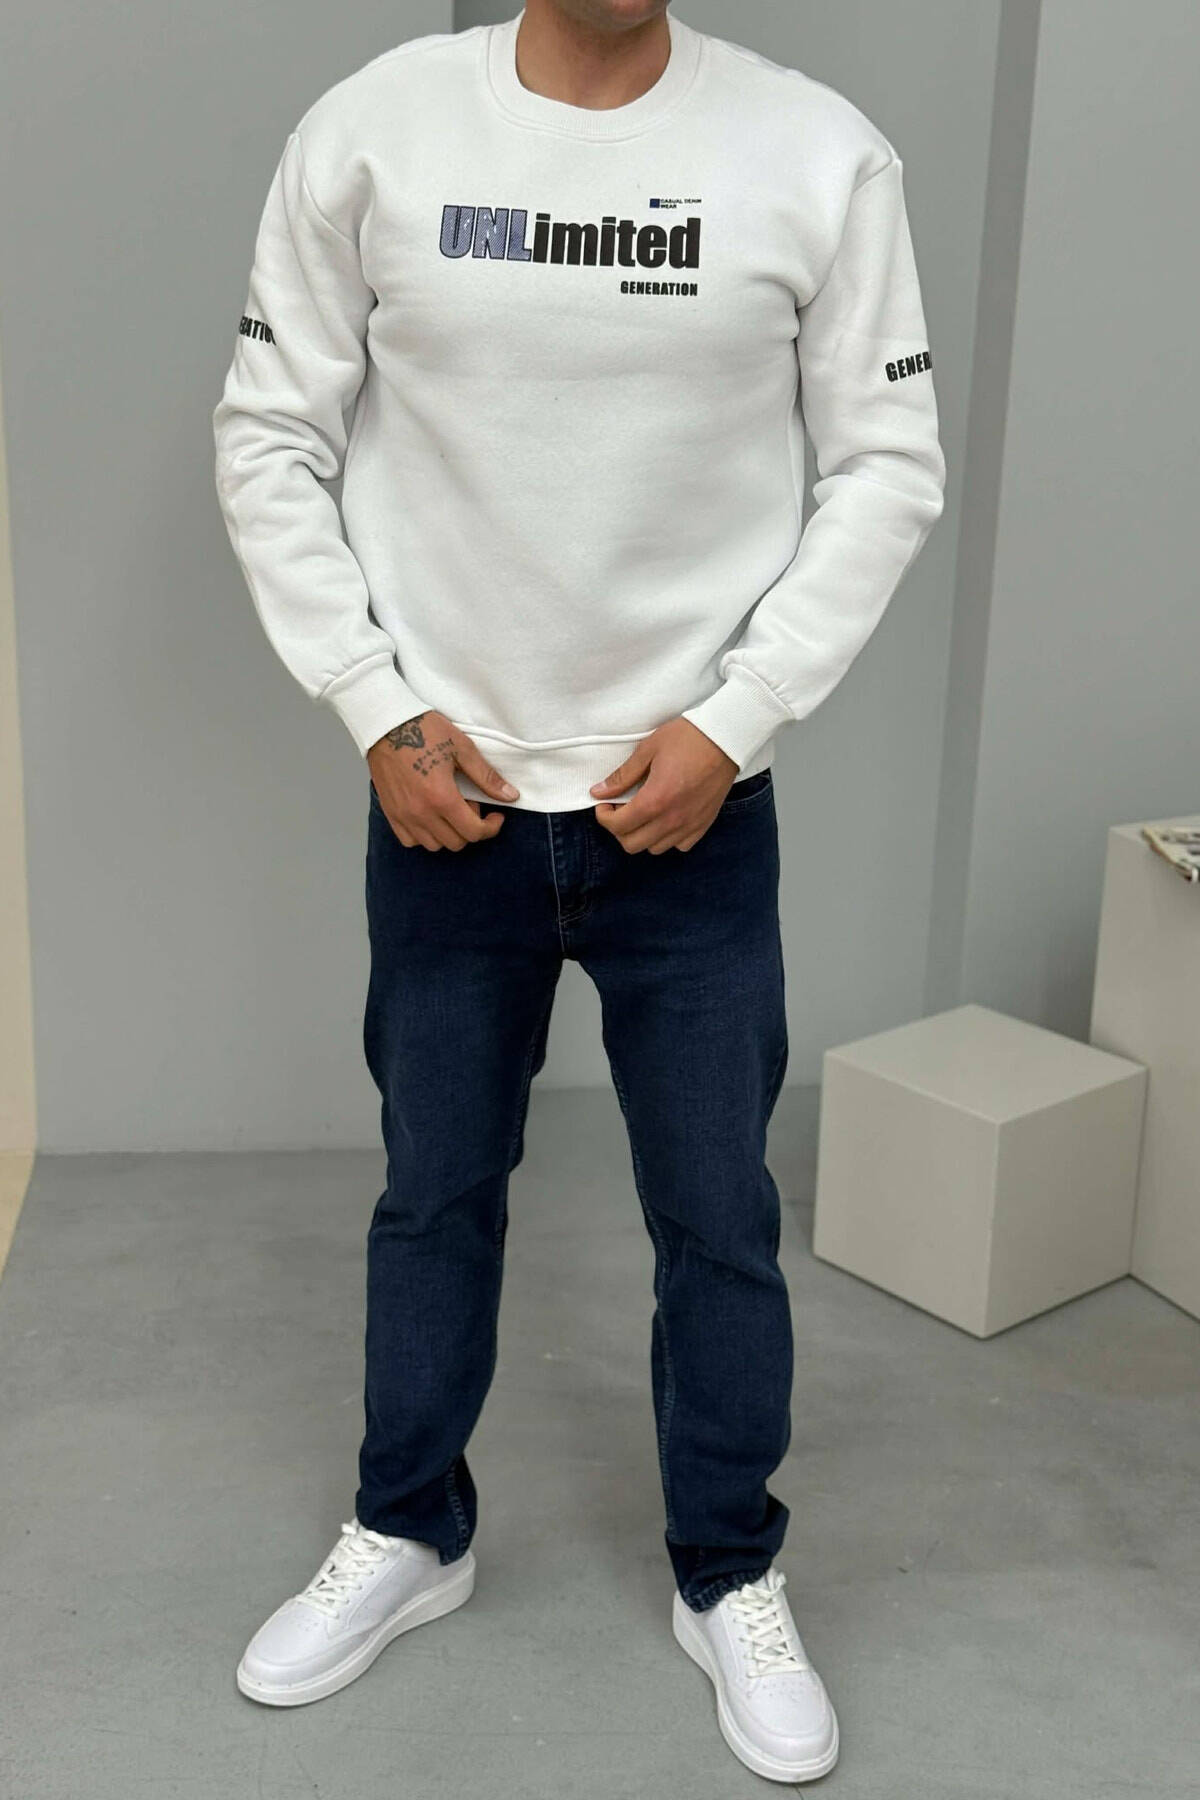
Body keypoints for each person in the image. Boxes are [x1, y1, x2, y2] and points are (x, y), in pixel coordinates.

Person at [212, 0, 945, 1780]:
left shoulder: (816, 155)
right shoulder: (376, 129)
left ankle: (729, 1570)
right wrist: (376, 708)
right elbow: (268, 432)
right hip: (446, 800)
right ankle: (410, 1528)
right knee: (433, 1195)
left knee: (717, 1217)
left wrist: (737, 718)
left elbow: (887, 466)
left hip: (689, 811)